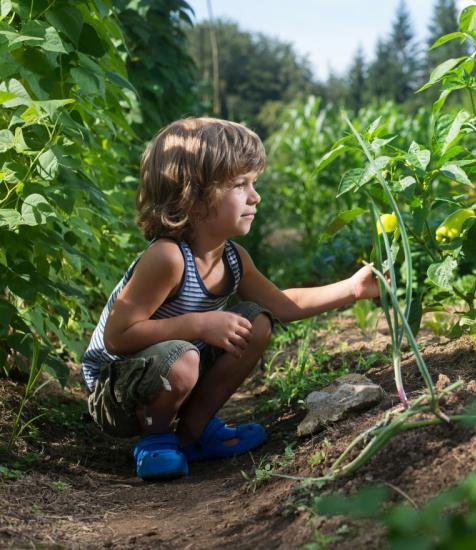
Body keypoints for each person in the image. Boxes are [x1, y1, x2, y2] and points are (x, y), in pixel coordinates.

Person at [81, 117, 381, 481]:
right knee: (184, 356)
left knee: (256, 322)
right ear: (192, 199)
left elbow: (284, 304)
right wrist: (200, 324)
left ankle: (192, 434)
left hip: (172, 368)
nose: (255, 196)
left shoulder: (233, 258)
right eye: (240, 185)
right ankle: (155, 440)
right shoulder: (167, 258)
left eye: (253, 183)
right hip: (116, 390)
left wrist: (352, 288)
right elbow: (118, 335)